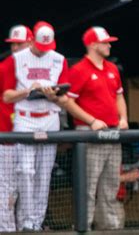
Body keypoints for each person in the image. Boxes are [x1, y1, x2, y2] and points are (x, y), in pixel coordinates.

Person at [2, 21, 69, 231]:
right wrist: (28, 90)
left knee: (44, 173)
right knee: (25, 171)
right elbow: (6, 96)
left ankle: (35, 223)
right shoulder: (15, 60)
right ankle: (25, 222)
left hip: (50, 116)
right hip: (25, 117)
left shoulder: (59, 59)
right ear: (32, 41)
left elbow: (65, 97)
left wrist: (54, 95)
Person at [65, 26, 127, 230]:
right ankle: (84, 227)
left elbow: (119, 95)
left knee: (111, 185)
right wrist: (91, 120)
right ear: (93, 44)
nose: (109, 45)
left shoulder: (112, 68)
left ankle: (110, 228)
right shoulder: (79, 69)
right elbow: (67, 101)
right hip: (90, 134)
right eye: (105, 42)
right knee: (88, 186)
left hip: (113, 132)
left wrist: (124, 118)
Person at [0, 24, 34, 232]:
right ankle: (7, 229)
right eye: (13, 44)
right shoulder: (4, 67)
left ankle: (27, 227)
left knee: (28, 187)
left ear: (31, 42)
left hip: (30, 136)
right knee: (7, 189)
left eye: (19, 43)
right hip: (6, 138)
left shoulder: (39, 66)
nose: (15, 48)